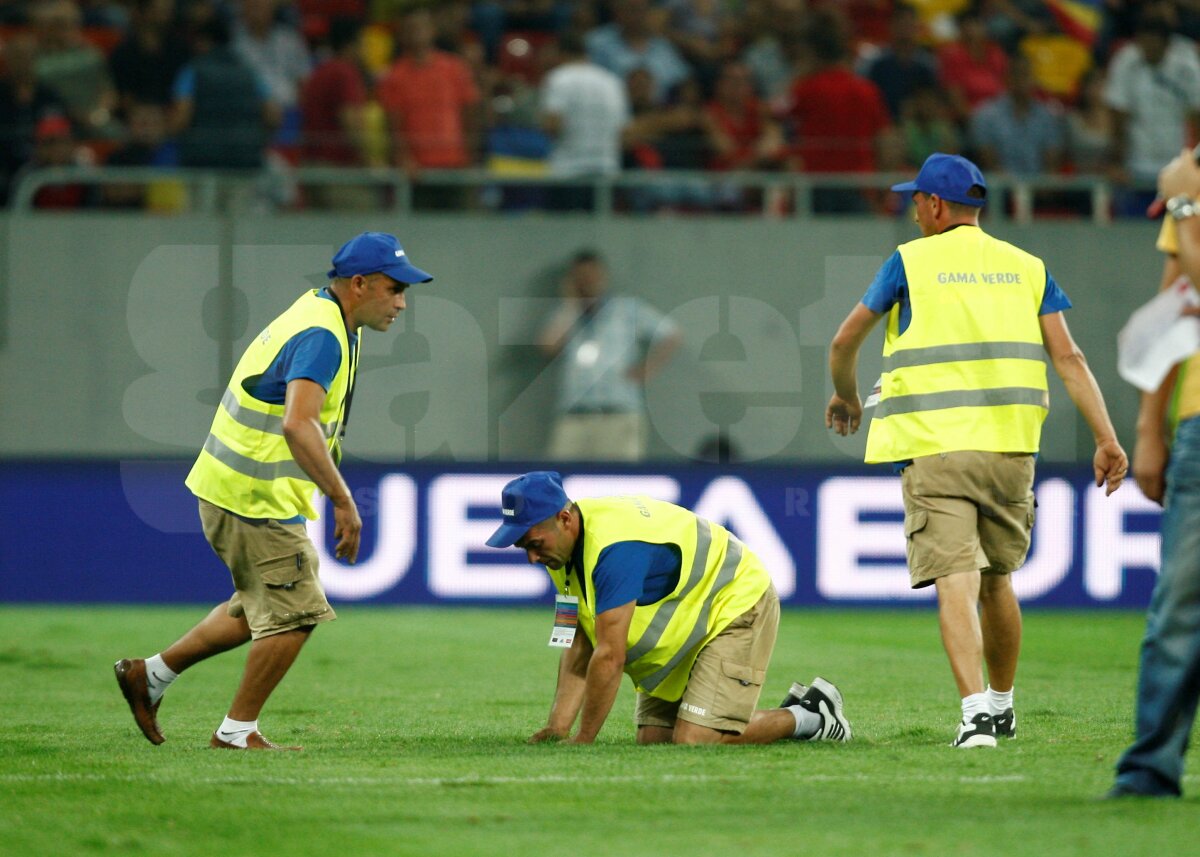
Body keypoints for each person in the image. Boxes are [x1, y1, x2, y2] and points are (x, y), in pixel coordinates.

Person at [825, 153, 1128, 749]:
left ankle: (973, 717)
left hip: (937, 448)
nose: (913, 211)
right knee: (999, 583)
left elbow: (843, 339)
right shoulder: (1026, 266)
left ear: (936, 205)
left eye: (916, 200)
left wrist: (847, 397)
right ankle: (1002, 706)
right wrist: (1107, 437)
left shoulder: (910, 261)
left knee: (956, 581)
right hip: (1012, 450)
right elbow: (1069, 358)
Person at [114, 232, 434, 750]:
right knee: (296, 614)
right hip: (251, 497)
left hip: (236, 488)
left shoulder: (323, 313)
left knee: (257, 608)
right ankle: (237, 733)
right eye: (394, 289)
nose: (401, 303)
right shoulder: (324, 335)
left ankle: (148, 676)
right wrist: (344, 501)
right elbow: (298, 425)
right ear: (359, 284)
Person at [485, 471, 852, 746]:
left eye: (533, 543)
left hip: (736, 601)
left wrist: (584, 740)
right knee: (655, 740)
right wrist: (558, 728)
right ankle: (757, 717)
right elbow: (578, 643)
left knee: (695, 739)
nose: (532, 557)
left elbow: (609, 655)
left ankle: (811, 716)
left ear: (565, 519)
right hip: (694, 617)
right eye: (522, 548)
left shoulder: (615, 549)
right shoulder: (561, 552)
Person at [1109, 148, 1200, 798]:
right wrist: (1149, 425)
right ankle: (1150, 770)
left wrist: (1186, 204)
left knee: (1179, 608)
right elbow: (1176, 308)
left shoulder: (1187, 195)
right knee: (1178, 606)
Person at [537, 249, 681, 461]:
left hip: (619, 412)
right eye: (581, 277)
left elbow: (671, 333)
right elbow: (547, 346)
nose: (587, 281)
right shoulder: (566, 313)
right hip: (575, 414)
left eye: (591, 275)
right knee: (560, 482)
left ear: (602, 276)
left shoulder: (626, 309)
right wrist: (570, 304)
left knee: (619, 486)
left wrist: (648, 367)